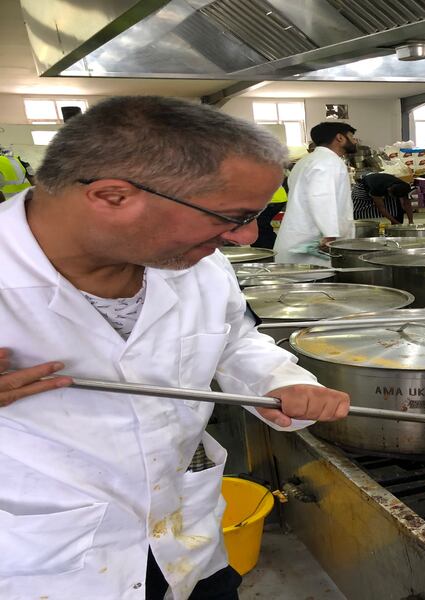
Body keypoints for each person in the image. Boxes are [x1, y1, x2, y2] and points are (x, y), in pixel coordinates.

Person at [0, 96, 350, 600]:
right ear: (113, 195)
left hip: (185, 536)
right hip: (46, 564)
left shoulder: (197, 265)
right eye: (231, 217)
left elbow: (232, 337)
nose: (246, 237)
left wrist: (279, 380)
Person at [274, 122, 357, 265]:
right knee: (315, 281)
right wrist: (330, 234)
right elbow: (321, 198)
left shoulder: (307, 160)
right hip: (315, 243)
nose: (355, 141)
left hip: (301, 237)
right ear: (339, 138)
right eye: (352, 137)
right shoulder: (328, 162)